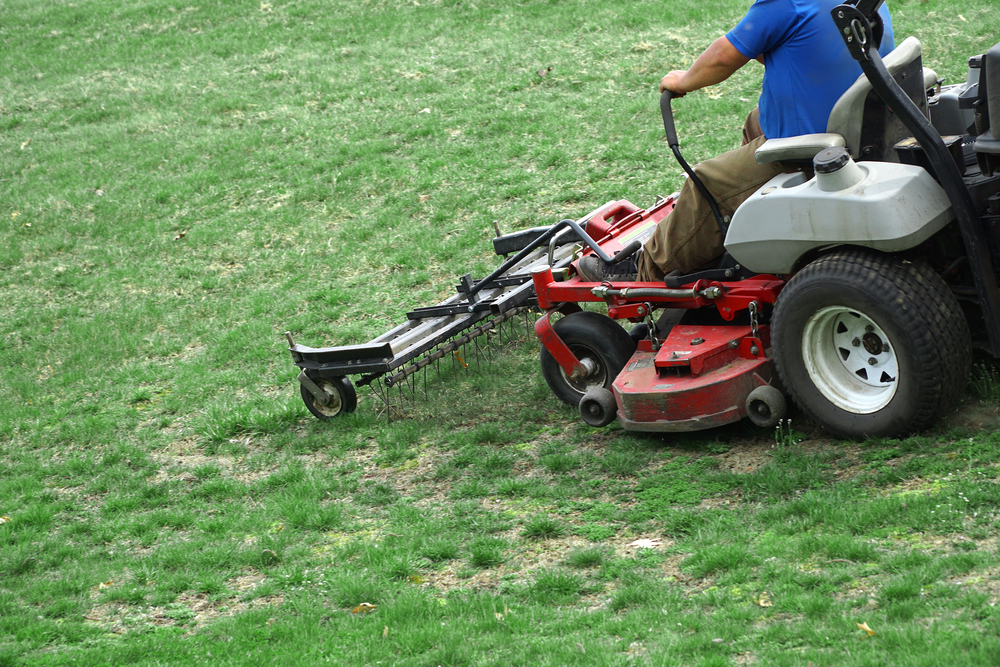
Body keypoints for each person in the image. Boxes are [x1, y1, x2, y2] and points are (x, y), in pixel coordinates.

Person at [578, 0, 895, 282]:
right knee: (755, 119)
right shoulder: (863, 2)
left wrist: (684, 79)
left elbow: (722, 58)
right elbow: (811, 47)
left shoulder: (787, 3)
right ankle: (750, 221)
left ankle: (647, 268)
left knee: (708, 181)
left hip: (814, 146)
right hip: (865, 124)